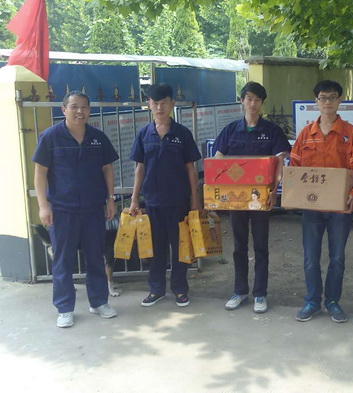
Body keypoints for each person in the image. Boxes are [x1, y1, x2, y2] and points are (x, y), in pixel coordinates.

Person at [33, 91, 119, 328]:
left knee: (95, 257)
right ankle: (64, 308)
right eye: (74, 107)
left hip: (93, 209)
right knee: (63, 260)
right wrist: (43, 206)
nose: (80, 111)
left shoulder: (98, 138)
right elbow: (40, 173)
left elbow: (107, 169)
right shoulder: (50, 137)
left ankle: (99, 302)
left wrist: (110, 199)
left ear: (89, 110)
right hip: (62, 210)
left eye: (84, 107)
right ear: (64, 110)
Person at [290, 80, 353, 323]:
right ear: (316, 101)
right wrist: (295, 195)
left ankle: (333, 301)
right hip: (312, 207)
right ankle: (312, 301)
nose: (327, 102)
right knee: (310, 258)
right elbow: (294, 168)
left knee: (337, 258)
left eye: (333, 97)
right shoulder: (306, 134)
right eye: (323, 97)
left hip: (339, 208)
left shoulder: (349, 134)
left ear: (339, 101)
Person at [213, 81, 290, 314]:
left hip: (261, 198)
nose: (253, 103)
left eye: (257, 100)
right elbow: (218, 159)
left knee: (260, 245)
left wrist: (275, 191)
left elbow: (280, 162)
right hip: (236, 198)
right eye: (249, 99)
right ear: (242, 101)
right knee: (239, 246)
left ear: (262, 103)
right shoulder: (230, 130)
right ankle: (239, 291)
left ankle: (260, 293)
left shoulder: (272, 131)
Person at [129, 83, 202, 308]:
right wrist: (134, 199)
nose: (159, 108)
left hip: (178, 201)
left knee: (180, 246)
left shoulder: (182, 133)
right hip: (152, 202)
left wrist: (195, 199)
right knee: (155, 248)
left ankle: (180, 289)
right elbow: (140, 168)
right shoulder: (144, 134)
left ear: (172, 104)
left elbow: (190, 168)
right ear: (149, 105)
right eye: (155, 103)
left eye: (164, 103)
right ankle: (156, 289)